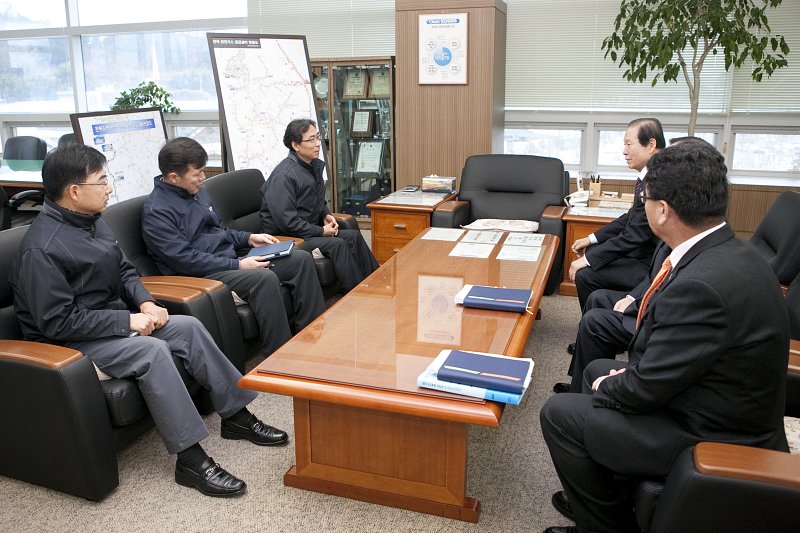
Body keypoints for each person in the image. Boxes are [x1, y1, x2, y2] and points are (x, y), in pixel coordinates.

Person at [10, 144, 289, 498]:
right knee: (152, 352)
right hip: (72, 343)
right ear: (75, 191)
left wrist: (145, 301)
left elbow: (126, 270)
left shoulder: (92, 223)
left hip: (111, 321)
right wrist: (126, 321)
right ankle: (189, 459)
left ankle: (236, 416)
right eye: (102, 181)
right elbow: (57, 323)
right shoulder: (42, 248)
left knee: (188, 326)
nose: (109, 188)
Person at [540, 140, 789, 533]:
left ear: (663, 210)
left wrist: (613, 385)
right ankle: (612, 491)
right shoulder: (727, 249)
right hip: (715, 398)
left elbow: (645, 389)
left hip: (714, 432)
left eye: (647, 200)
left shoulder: (702, 286)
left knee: (559, 414)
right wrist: (614, 378)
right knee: (598, 370)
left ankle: (608, 527)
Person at [141, 137, 326, 357]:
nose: (203, 178)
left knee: (300, 259)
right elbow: (185, 260)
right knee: (263, 279)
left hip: (231, 260)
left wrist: (249, 238)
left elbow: (221, 230)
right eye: (197, 174)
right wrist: (239, 264)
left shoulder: (196, 192)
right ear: (173, 177)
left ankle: (312, 334)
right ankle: (279, 355)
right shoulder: (157, 212)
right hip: (202, 275)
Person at [553, 137, 709, 394]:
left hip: (654, 309)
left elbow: (638, 240)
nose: (624, 151)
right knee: (597, 301)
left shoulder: (693, 244)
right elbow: (660, 269)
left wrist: (635, 301)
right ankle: (581, 383)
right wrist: (635, 296)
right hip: (649, 287)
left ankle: (585, 389)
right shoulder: (681, 230)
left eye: (629, 143)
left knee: (593, 304)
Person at [260, 118, 379, 292]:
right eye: (311, 140)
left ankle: (376, 283)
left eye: (318, 137)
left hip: (307, 229)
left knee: (352, 235)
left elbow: (316, 200)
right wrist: (321, 231)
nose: (317, 144)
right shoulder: (283, 176)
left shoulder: (311, 166)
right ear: (295, 145)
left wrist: (325, 214)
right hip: (287, 238)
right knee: (337, 244)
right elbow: (287, 223)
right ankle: (355, 294)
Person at [569, 118, 665, 311]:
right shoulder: (650, 175)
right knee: (593, 255)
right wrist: (591, 239)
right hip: (642, 255)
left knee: (585, 272)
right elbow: (632, 217)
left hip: (650, 265)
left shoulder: (659, 179)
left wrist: (586, 260)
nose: (624, 151)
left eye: (629, 144)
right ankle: (594, 325)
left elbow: (635, 234)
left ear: (651, 144)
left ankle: (595, 329)